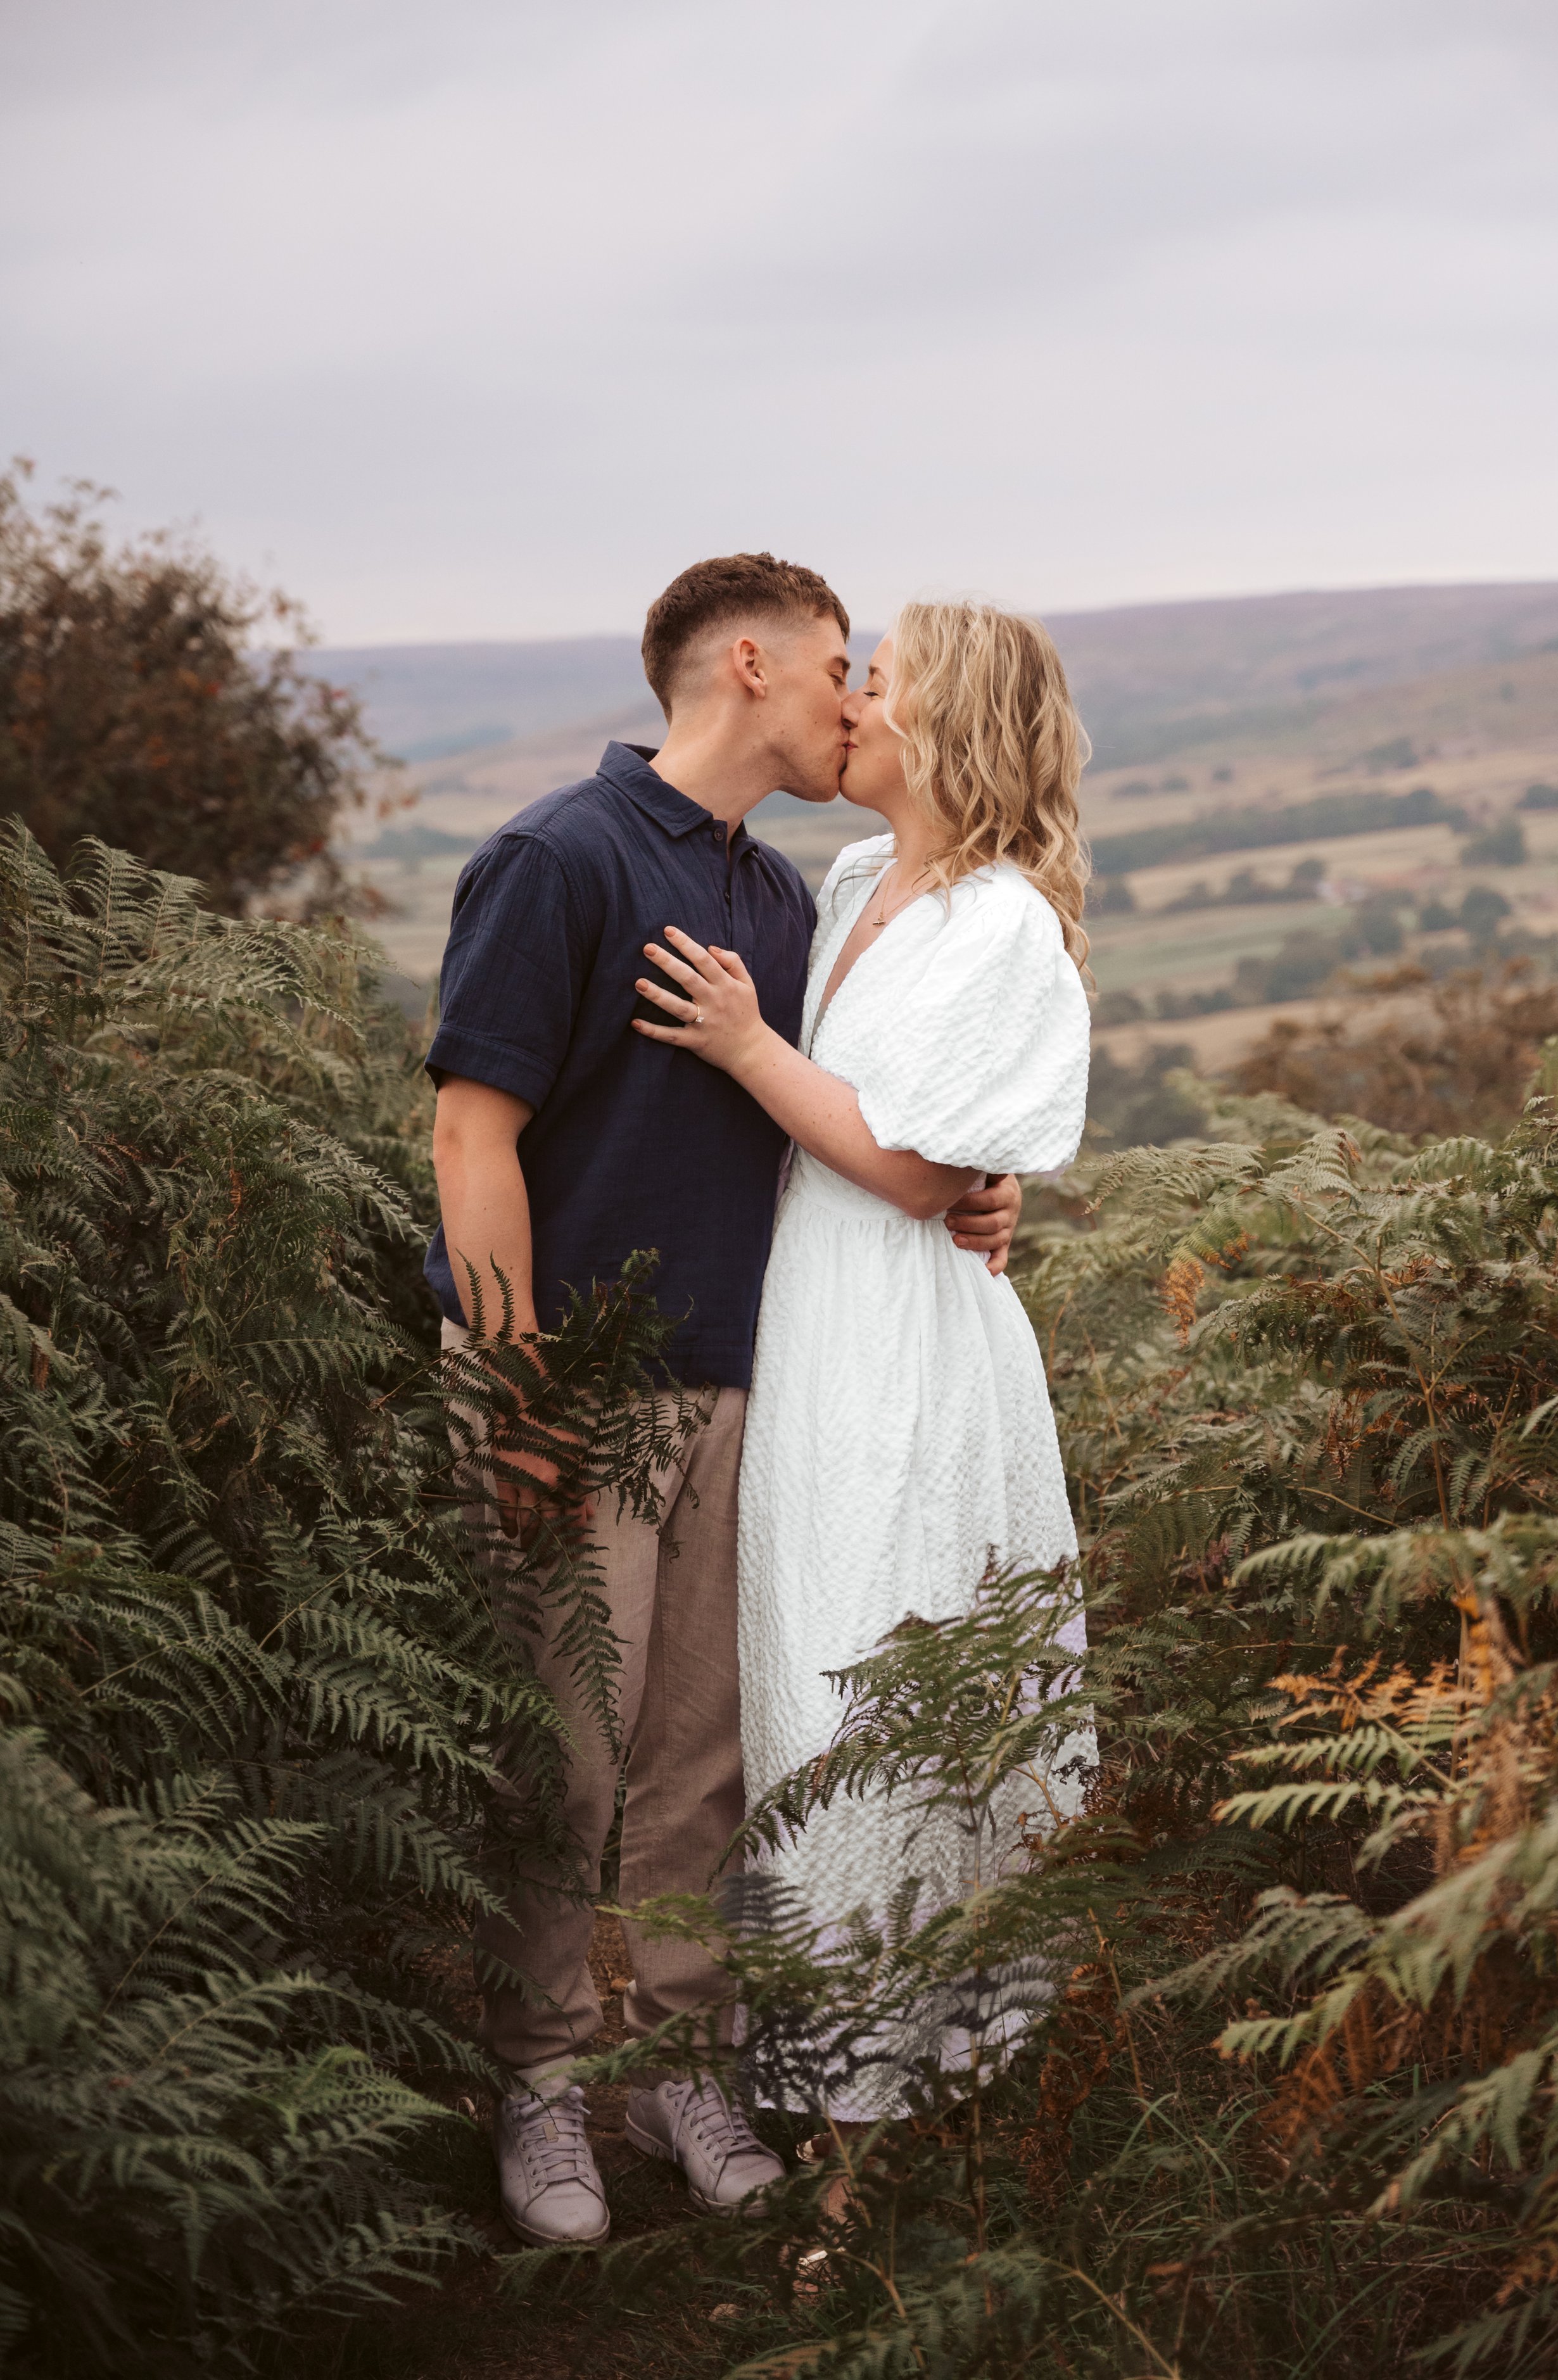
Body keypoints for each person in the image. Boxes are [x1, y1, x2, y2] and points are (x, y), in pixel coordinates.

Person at [425, 555, 1023, 2246]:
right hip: (567, 1388)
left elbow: (861, 1111)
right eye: (841, 665)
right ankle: (538, 2075)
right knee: (566, 1757)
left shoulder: (782, 897)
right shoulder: (557, 857)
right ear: (747, 663)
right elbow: (472, 1136)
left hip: (749, 1390)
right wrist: (520, 1383)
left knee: (696, 1758)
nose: (857, 698)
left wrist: (977, 1189)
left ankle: (669, 2056)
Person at [630, 597, 1094, 2148]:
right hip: (810, 1338)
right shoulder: (848, 877)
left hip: (906, 1355)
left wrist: (746, 1046)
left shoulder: (1001, 922)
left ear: (941, 725)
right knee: (796, 1705)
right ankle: (819, 2083)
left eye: (877, 684)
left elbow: (906, 1166)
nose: (853, 707)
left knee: (875, 1714)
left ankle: (883, 2139)